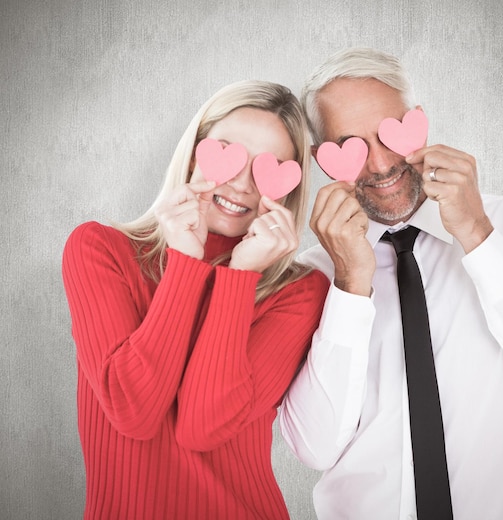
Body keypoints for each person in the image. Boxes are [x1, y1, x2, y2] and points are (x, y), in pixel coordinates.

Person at [279, 48, 503, 519]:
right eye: (350, 146)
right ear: (322, 159)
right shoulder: (314, 277)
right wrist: (350, 283)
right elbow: (314, 448)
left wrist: (478, 235)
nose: (379, 165)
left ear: (419, 123)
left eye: (390, 134)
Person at [62, 80, 329, 520]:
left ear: (287, 188)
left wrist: (240, 276)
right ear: (193, 151)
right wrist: (185, 262)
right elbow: (134, 412)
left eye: (268, 169)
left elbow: (202, 428)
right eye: (227, 153)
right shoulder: (99, 250)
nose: (241, 183)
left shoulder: (298, 292)